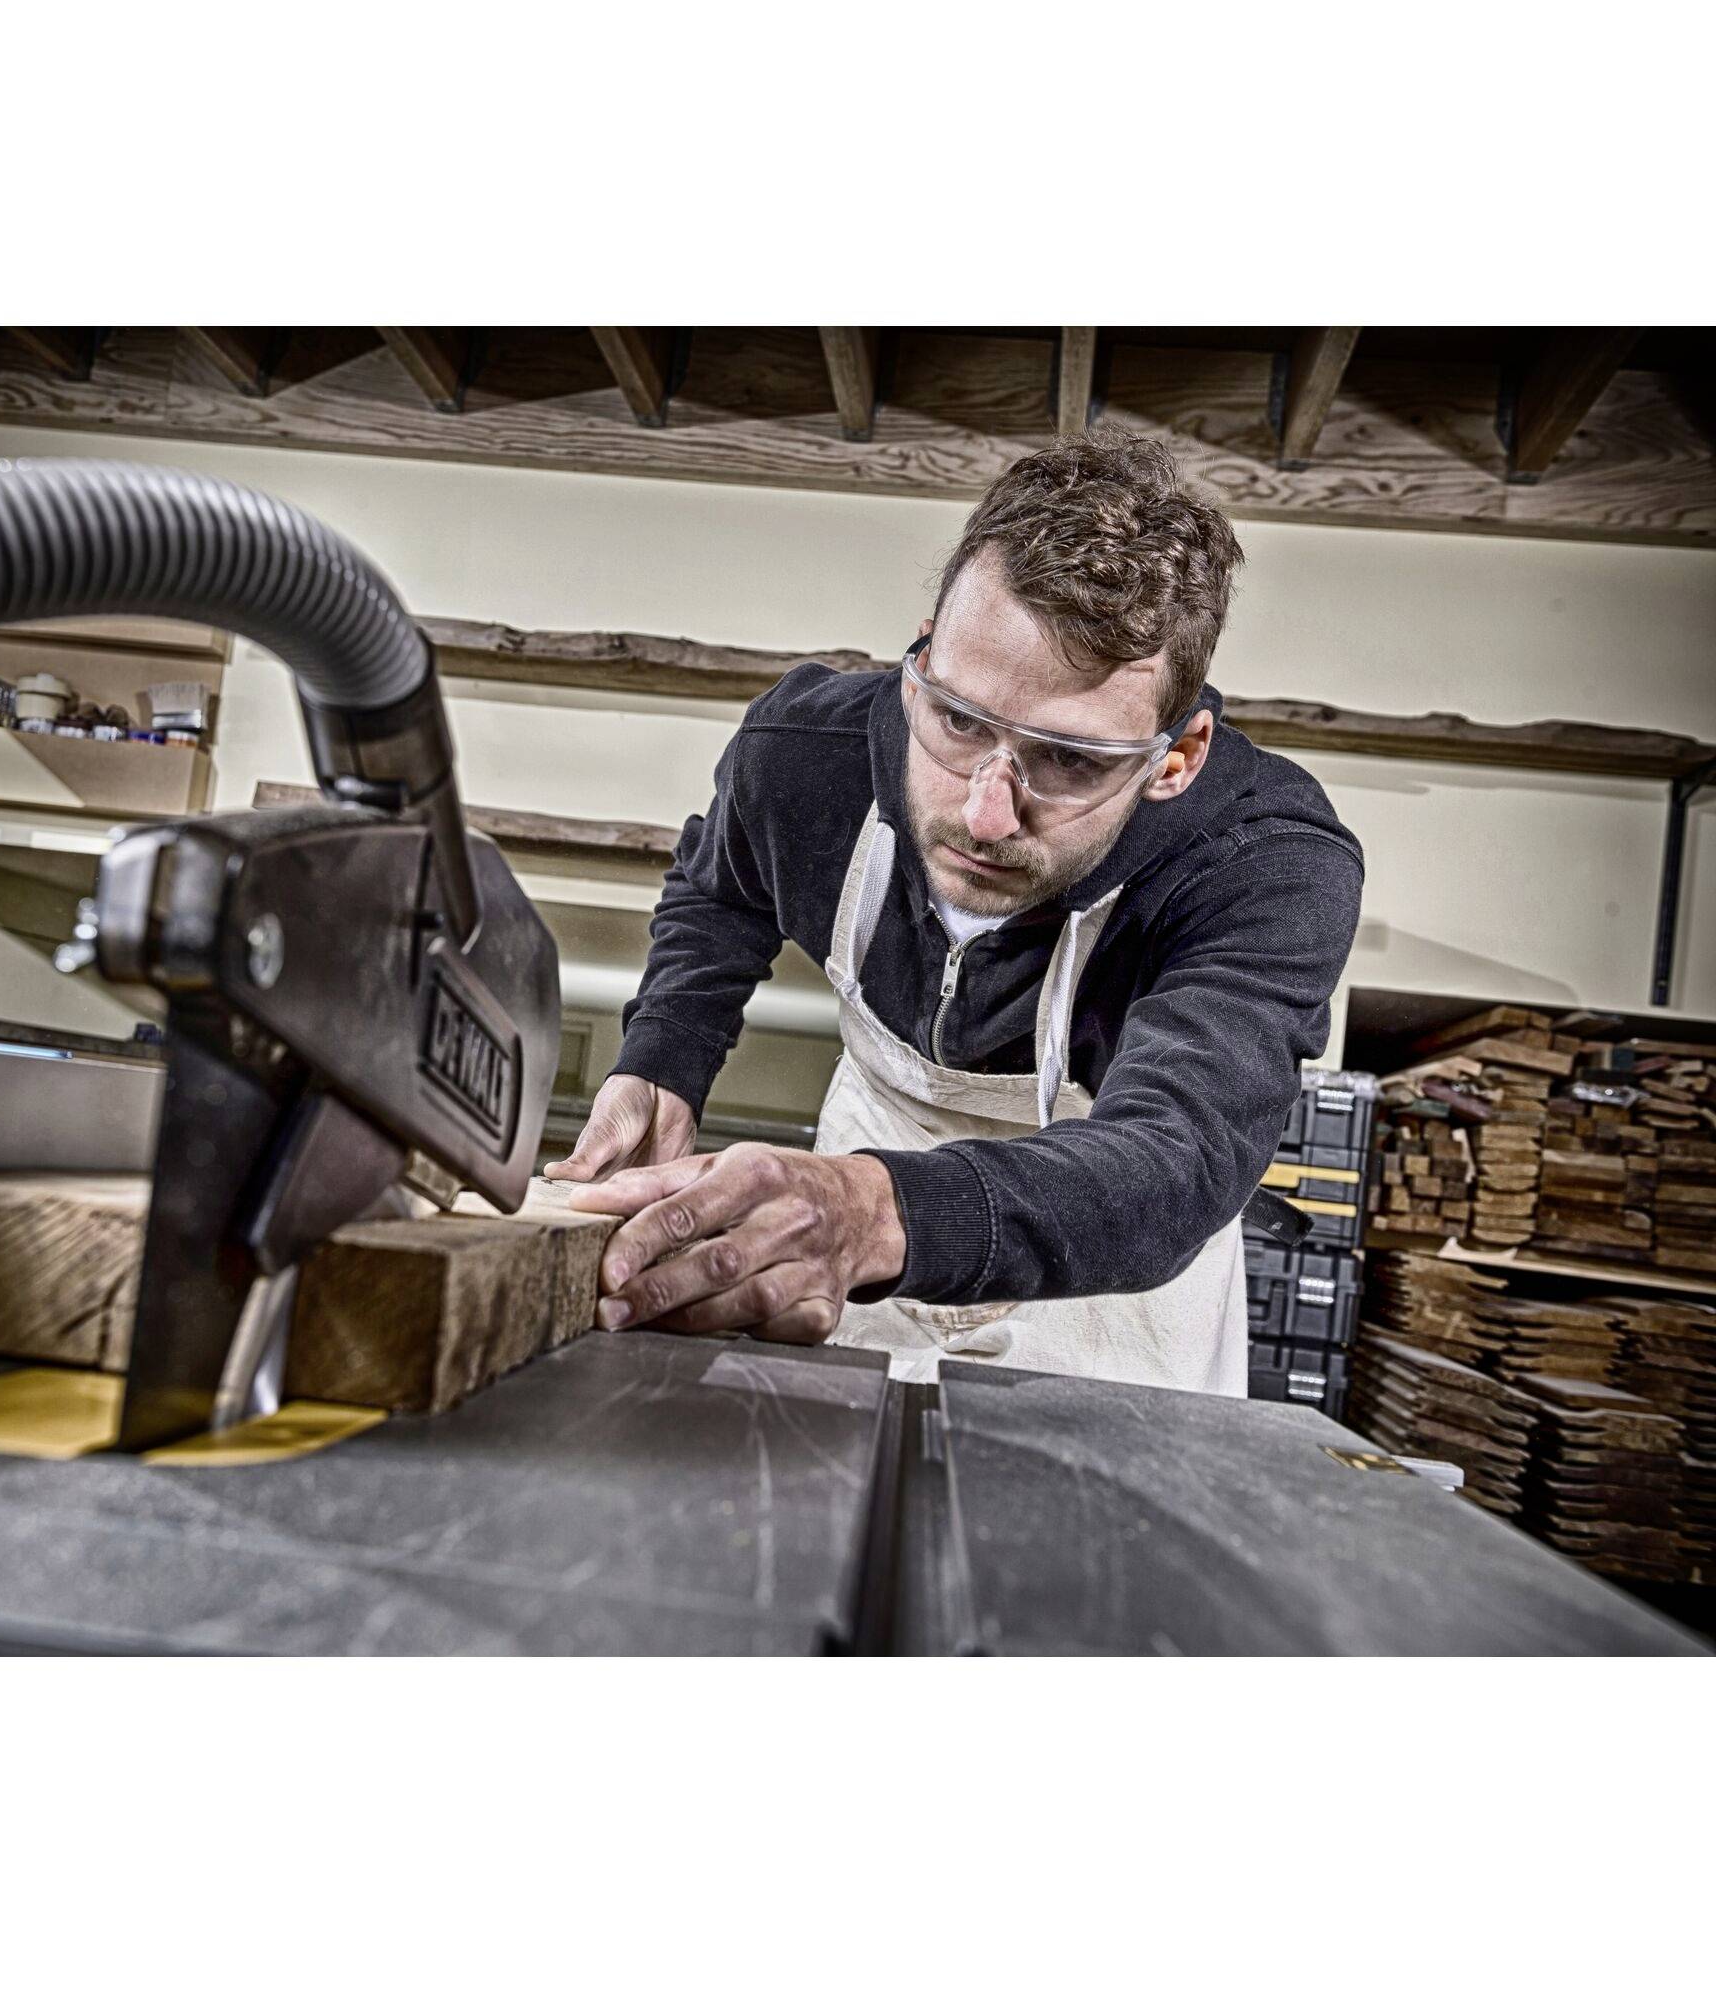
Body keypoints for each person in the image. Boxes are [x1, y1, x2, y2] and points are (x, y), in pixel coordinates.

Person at [545, 431, 1364, 1389]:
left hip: (1107, 1232)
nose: (984, 811)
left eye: (1068, 760)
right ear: (917, 664)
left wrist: (873, 1214)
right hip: (872, 1155)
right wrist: (664, 1058)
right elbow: (720, 888)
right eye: (959, 721)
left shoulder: (1267, 863)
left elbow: (1177, 1155)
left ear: (1173, 759)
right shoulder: (800, 753)